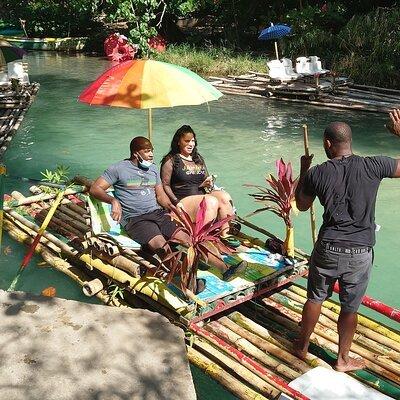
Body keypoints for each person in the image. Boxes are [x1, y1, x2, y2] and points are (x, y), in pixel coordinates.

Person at [294, 110, 400, 372]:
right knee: (350, 308)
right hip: (360, 251)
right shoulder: (374, 165)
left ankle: (302, 347)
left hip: (328, 247)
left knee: (315, 298)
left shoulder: (318, 173)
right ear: (350, 142)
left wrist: (304, 170)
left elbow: (302, 204)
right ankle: (342, 360)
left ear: (328, 144)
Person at [89, 136, 244, 289]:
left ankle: (225, 269)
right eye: (147, 151)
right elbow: (95, 188)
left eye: (152, 151)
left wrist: (173, 208)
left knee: (190, 239)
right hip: (136, 219)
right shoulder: (118, 169)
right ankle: (186, 282)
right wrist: (113, 201)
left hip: (157, 213)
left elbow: (160, 195)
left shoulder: (153, 168)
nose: (151, 154)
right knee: (161, 246)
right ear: (136, 153)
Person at [160, 125, 237, 243]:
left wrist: (207, 183)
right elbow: (165, 185)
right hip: (182, 200)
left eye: (193, 141)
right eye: (187, 141)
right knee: (210, 201)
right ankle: (201, 239)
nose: (191, 144)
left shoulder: (198, 159)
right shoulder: (171, 160)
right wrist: (175, 202)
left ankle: (225, 234)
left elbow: (205, 179)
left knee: (224, 196)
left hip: (200, 195)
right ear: (178, 142)